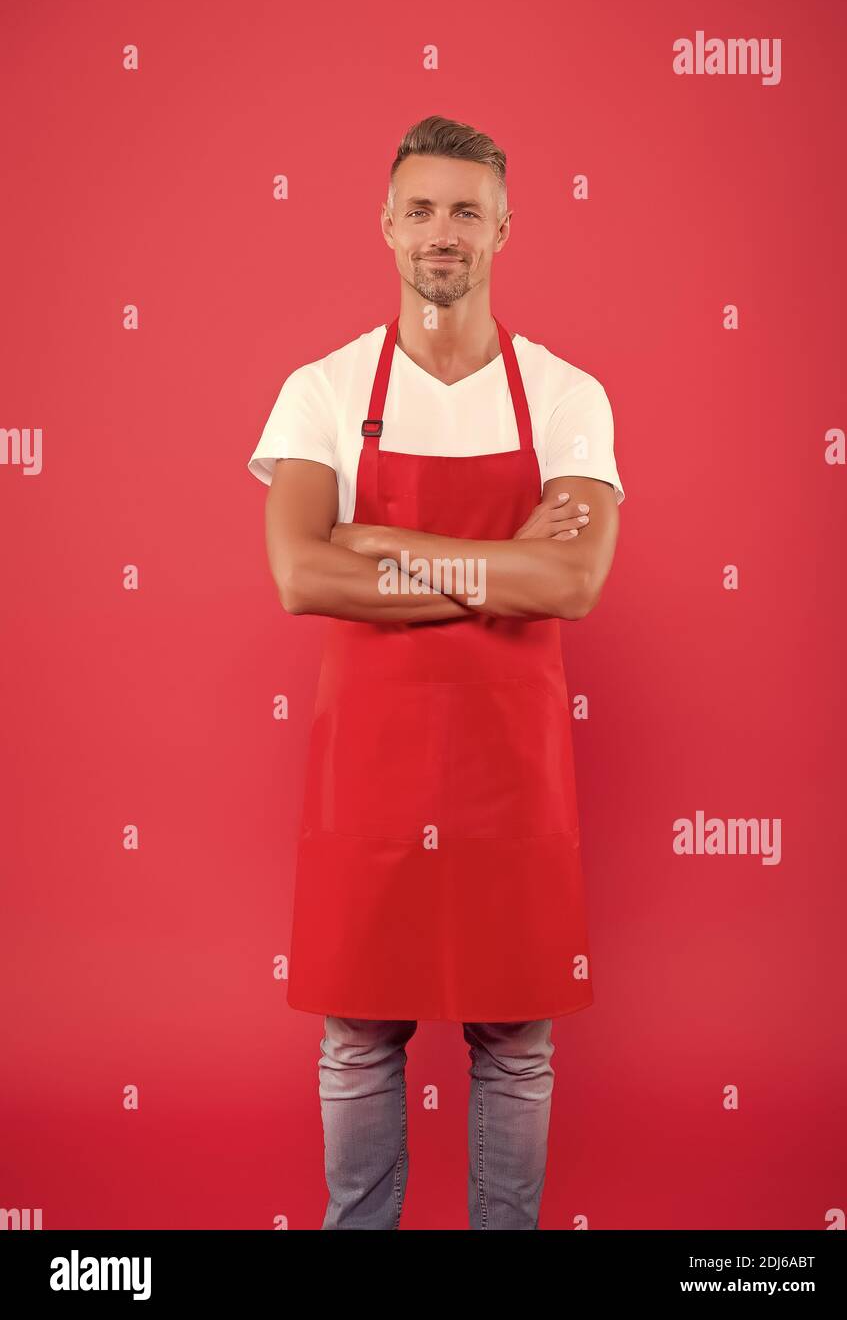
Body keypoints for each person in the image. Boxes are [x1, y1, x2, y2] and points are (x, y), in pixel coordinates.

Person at [247, 114, 624, 1230]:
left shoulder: (564, 394)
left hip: (515, 772)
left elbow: (575, 584)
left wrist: (382, 547)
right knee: (358, 1033)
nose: (441, 233)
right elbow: (300, 573)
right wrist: (501, 560)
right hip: (367, 768)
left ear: (504, 226)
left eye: (465, 210)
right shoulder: (319, 390)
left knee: (516, 1038)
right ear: (386, 227)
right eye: (420, 210)